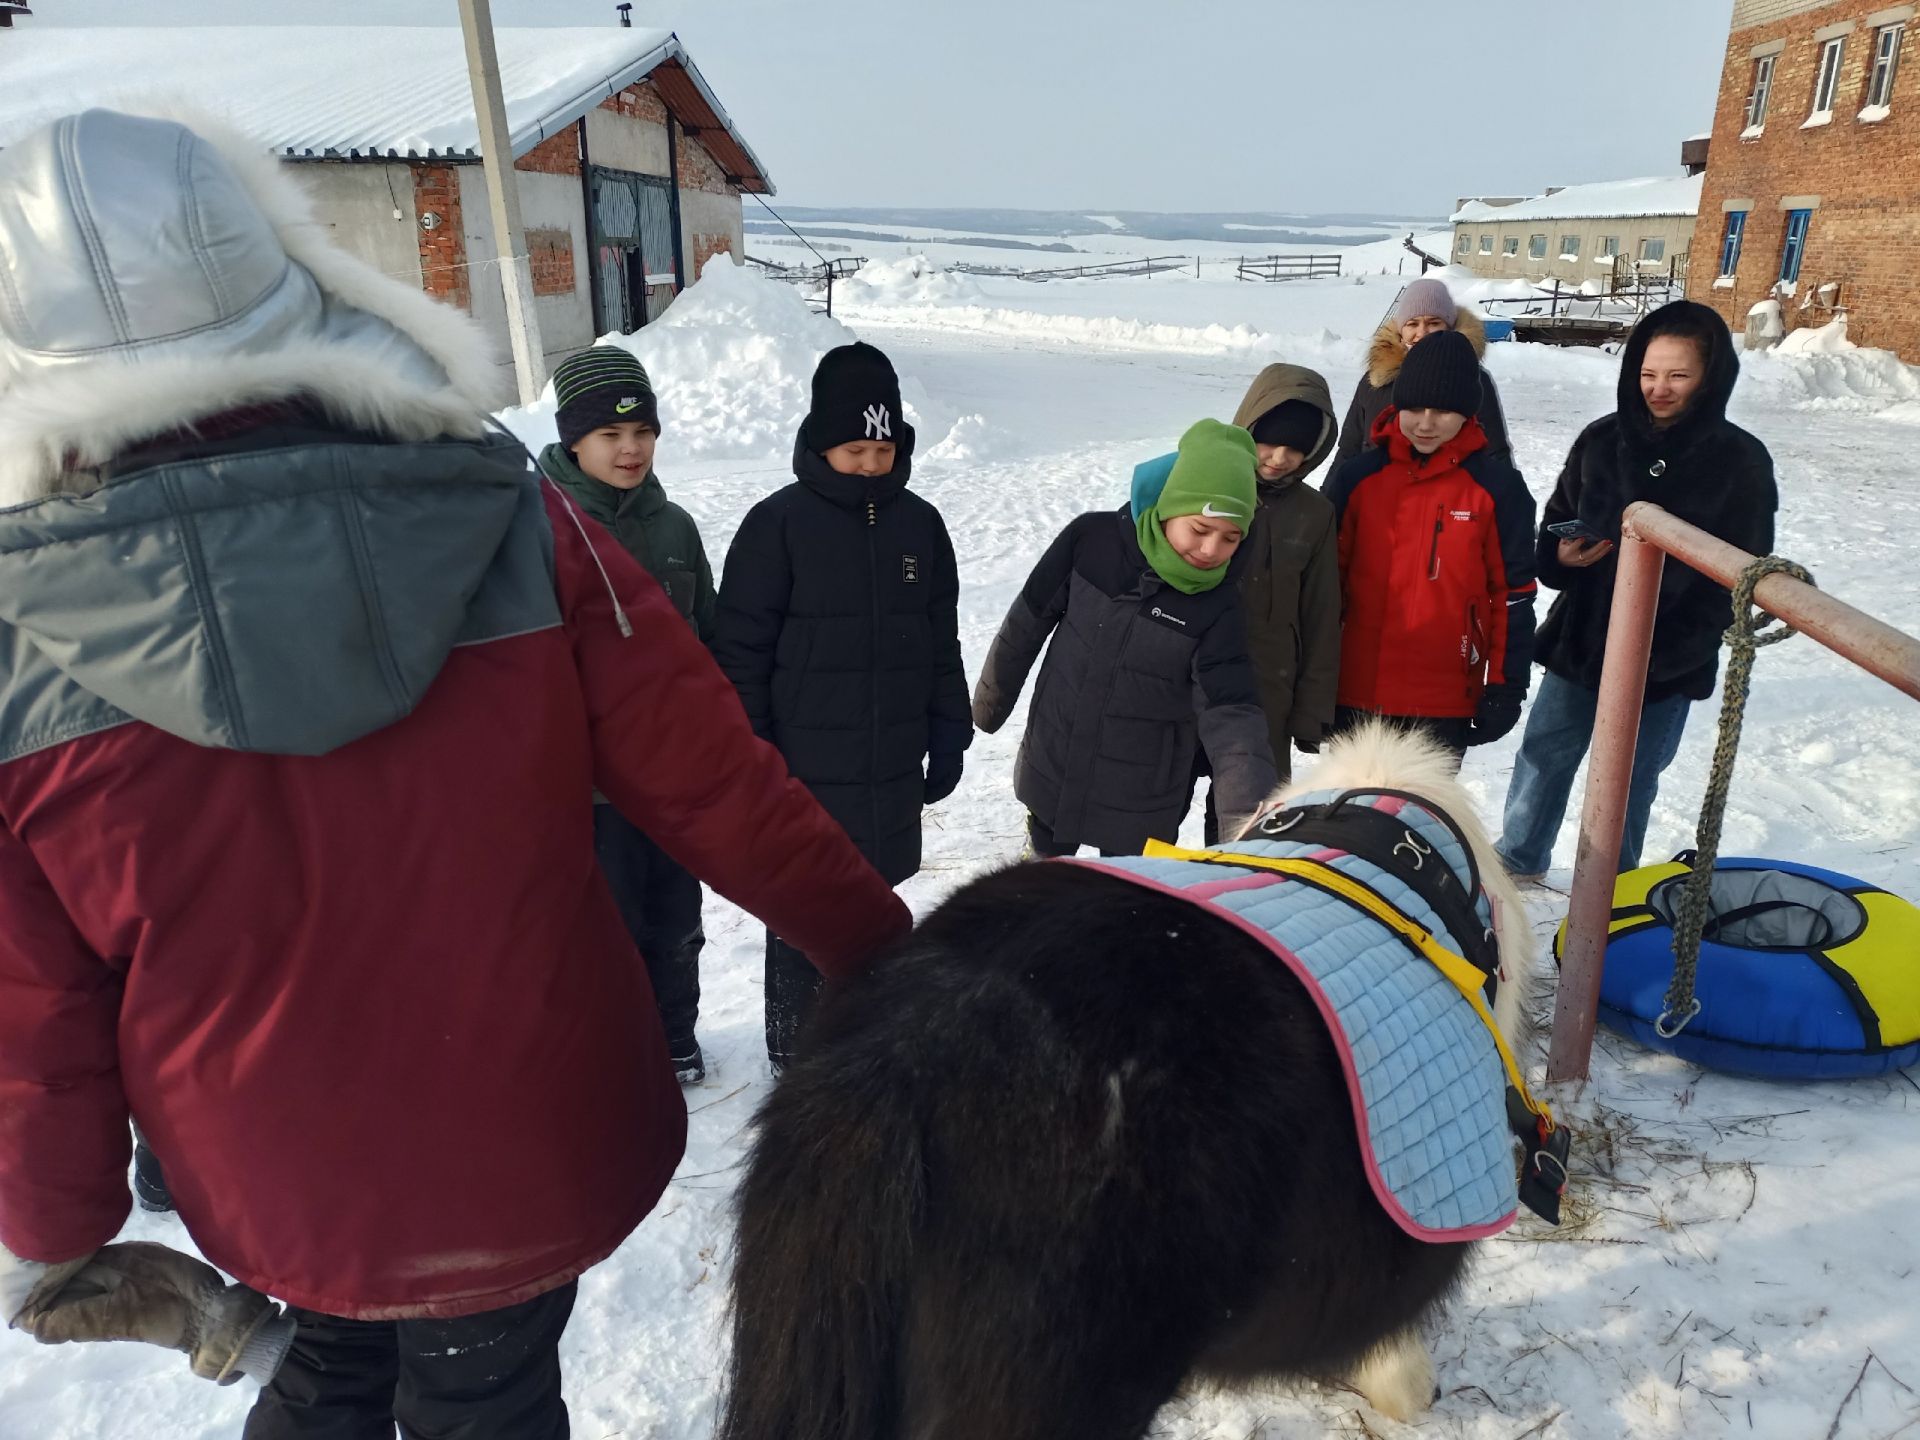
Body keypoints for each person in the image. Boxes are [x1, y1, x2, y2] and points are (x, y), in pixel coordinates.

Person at [0, 108, 910, 1439]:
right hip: (527, 1131)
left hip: (271, 1165)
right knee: (484, 1388)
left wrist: (55, 1226)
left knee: (327, 1366)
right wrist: (892, 964)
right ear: (287, 276)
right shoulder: (511, 518)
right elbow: (722, 786)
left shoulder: (17, 634)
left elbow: (32, 1003)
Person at [712, 342, 971, 1073]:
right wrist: (751, 754)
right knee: (802, 910)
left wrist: (948, 732)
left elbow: (939, 638)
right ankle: (794, 1052)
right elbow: (742, 653)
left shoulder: (921, 526)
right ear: (822, 444)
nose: (868, 463)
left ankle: (861, 1035)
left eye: (881, 449)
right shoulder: (778, 526)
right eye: (854, 449)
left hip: (889, 761)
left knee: (874, 905)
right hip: (803, 767)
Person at [1495, 300, 1777, 879]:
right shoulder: (1601, 440)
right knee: (1544, 756)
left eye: (1678, 375)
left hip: (1667, 660)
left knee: (1628, 780)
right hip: (1583, 644)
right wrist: (1562, 555)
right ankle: (1517, 861)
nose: (1660, 389)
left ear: (1711, 376)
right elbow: (1554, 527)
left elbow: (1744, 573)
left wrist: (1682, 644)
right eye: (1649, 374)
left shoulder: (1740, 461)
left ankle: (1609, 892)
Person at [973, 419, 1278, 857]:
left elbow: (1232, 719)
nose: (1212, 550)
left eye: (1231, 538)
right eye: (1200, 528)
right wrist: (990, 701)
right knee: (1043, 876)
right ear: (1171, 506)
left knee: (1117, 904)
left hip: (1141, 791)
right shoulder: (1090, 540)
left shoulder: (1218, 605)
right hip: (1056, 758)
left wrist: (1250, 827)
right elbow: (1027, 621)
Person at [537, 347, 715, 1084]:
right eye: (611, 435)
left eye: (643, 431)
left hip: (670, 778)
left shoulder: (674, 529)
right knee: (605, 929)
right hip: (588, 788)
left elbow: (708, 639)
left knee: (677, 919)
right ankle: (615, 1049)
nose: (631, 447)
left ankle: (674, 1034)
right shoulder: (539, 528)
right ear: (573, 439)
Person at [1322, 329, 1538, 763]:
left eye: (1441, 411)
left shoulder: (1497, 489)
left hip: (1442, 700)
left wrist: (1505, 687)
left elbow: (1512, 598)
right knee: (1348, 821)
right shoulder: (1358, 480)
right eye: (1414, 408)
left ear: (1468, 413)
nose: (1424, 422)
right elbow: (1323, 591)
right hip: (1355, 692)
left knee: (1418, 823)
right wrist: (1311, 688)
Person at [1334, 276, 1511, 467]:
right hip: (1376, 491)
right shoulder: (1375, 380)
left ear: (1450, 326)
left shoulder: (1472, 379)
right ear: (1401, 329)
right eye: (1412, 324)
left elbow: (1495, 452)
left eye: (1434, 323)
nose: (1422, 332)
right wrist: (1331, 494)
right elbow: (1349, 449)